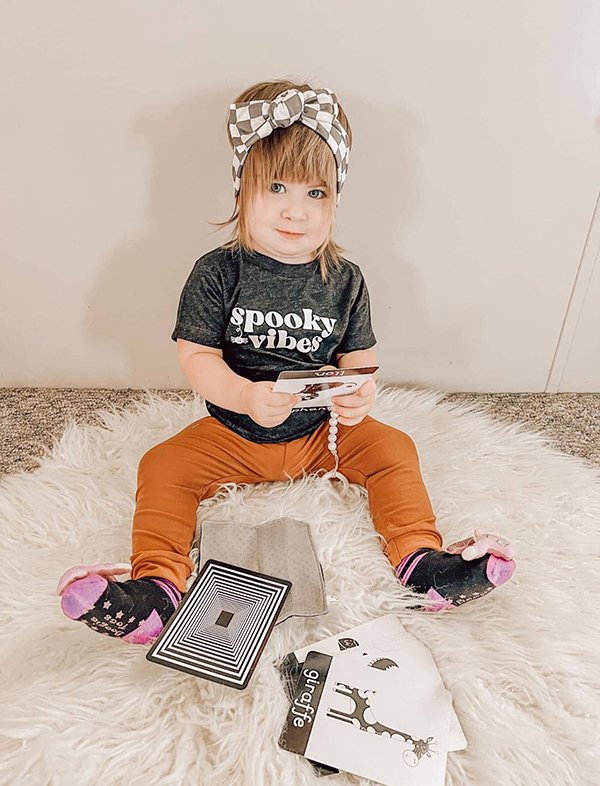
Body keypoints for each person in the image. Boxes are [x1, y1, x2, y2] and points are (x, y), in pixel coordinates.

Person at [56, 79, 516, 645]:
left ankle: (423, 564)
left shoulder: (344, 279)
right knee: (161, 466)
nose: (295, 211)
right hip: (232, 433)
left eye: (316, 194)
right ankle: (155, 589)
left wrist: (360, 393)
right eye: (277, 188)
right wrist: (245, 397)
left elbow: (358, 356)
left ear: (336, 201)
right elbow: (195, 355)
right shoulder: (218, 272)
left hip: (322, 437)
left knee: (396, 450)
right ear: (242, 191)